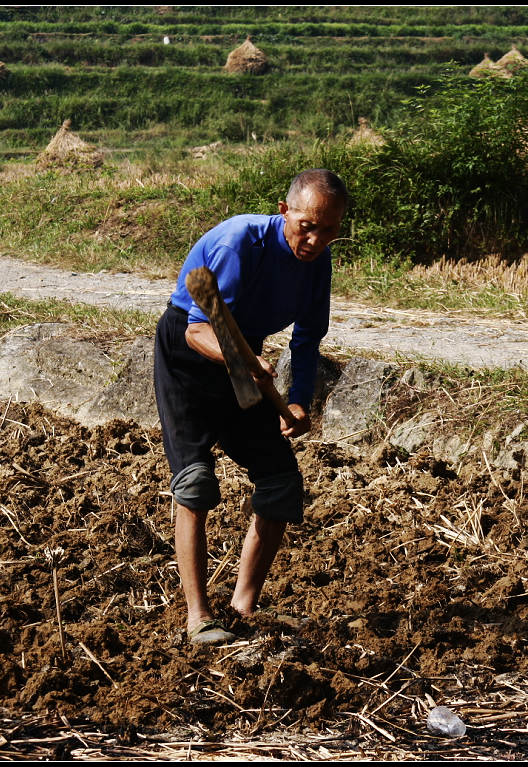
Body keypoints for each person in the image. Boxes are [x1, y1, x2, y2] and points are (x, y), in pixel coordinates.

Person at [153, 168, 348, 645]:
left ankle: (242, 608)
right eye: (307, 226)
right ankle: (198, 618)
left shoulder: (317, 263)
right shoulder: (239, 241)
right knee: (196, 483)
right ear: (284, 211)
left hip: (244, 359)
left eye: (329, 231)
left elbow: (306, 341)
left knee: (281, 484)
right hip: (188, 357)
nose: (315, 239)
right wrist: (242, 359)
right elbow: (197, 329)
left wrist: (300, 400)